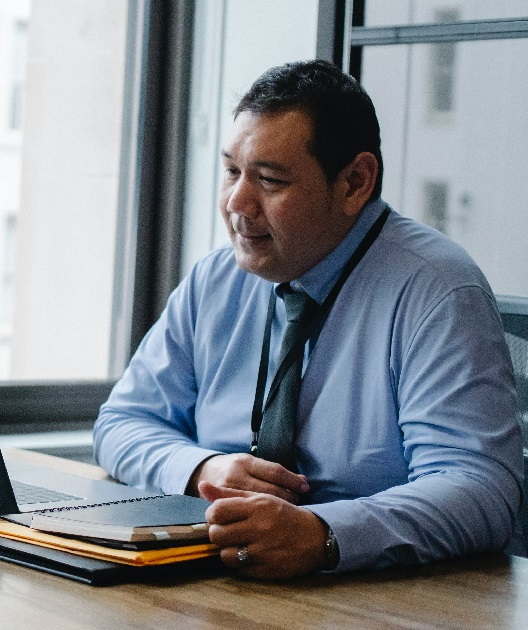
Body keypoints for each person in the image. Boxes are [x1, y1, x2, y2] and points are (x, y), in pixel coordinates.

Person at [93, 59, 522, 579]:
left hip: (375, 596)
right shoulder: (216, 279)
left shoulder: (437, 289)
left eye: (270, 180)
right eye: (231, 172)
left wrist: (324, 534)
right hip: (221, 580)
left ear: (355, 183)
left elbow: (480, 488)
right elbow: (121, 423)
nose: (237, 203)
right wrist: (203, 468)